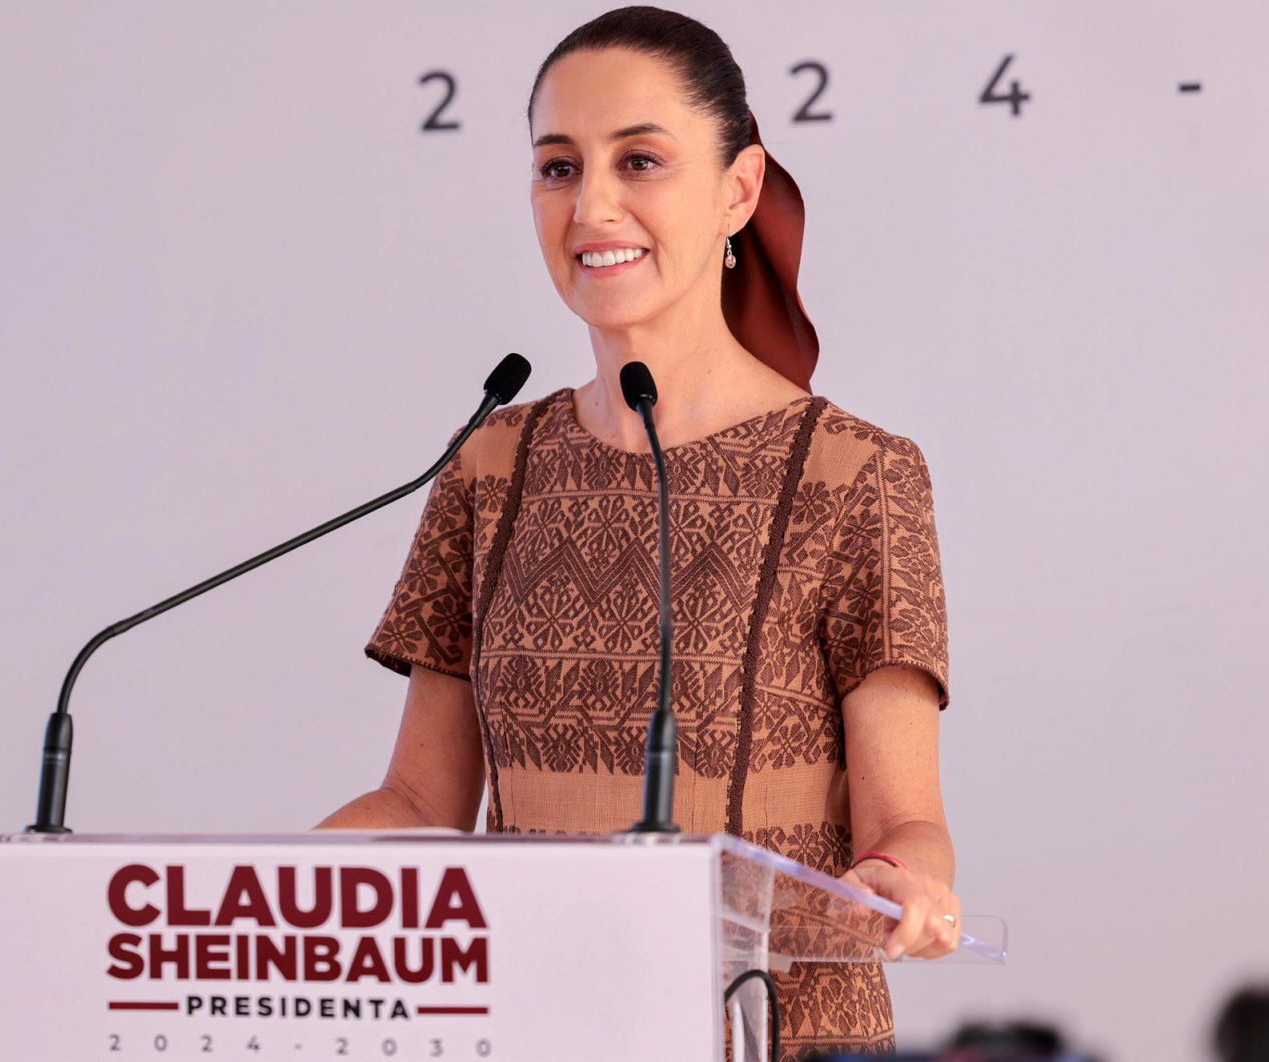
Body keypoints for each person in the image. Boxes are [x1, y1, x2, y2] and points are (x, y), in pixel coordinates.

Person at [319, 6, 960, 1057]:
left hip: (775, 1035)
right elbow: (420, 805)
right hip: (530, 1028)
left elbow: (905, 826)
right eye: (558, 167)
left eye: (642, 160)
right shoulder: (490, 465)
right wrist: (233, 892)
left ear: (738, 191)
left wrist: (903, 878)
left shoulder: (854, 475)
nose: (592, 206)